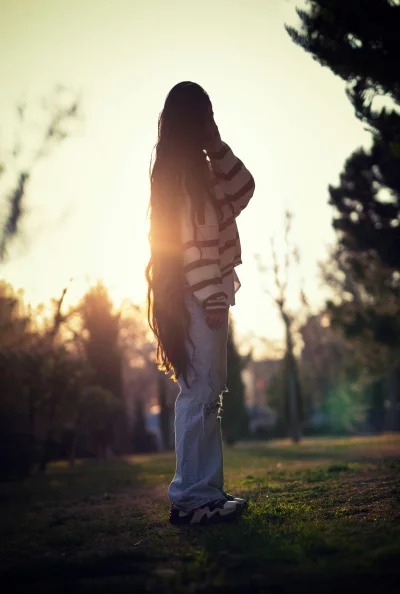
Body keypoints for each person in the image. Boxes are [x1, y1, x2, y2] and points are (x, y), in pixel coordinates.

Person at [146, 81, 255, 525]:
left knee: (208, 395)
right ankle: (191, 499)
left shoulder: (202, 171)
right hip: (199, 296)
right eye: (205, 116)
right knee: (198, 395)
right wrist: (211, 292)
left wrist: (217, 145)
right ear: (193, 119)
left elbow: (245, 189)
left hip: (207, 294)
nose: (211, 122)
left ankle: (205, 493)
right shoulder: (180, 177)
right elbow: (188, 242)